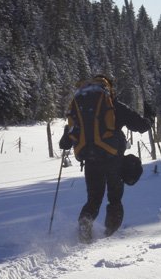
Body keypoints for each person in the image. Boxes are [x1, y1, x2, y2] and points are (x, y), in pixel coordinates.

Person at [59, 75, 153, 242]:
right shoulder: (114, 105)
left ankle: (84, 227)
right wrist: (150, 116)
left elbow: (64, 142)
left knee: (93, 200)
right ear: (108, 87)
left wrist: (69, 137)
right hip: (113, 160)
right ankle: (109, 237)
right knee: (114, 199)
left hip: (90, 161)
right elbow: (141, 126)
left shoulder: (78, 108)